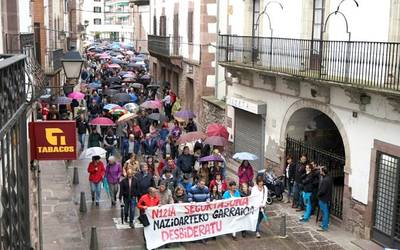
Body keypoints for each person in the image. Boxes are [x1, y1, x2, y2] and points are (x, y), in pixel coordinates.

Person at [317, 166, 332, 232]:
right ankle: (324, 224)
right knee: (325, 212)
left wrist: (318, 194)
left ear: (323, 172)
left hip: (323, 198)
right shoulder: (329, 178)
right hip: (326, 198)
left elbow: (323, 190)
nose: (320, 171)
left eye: (320, 170)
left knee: (325, 212)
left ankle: (324, 227)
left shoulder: (325, 180)